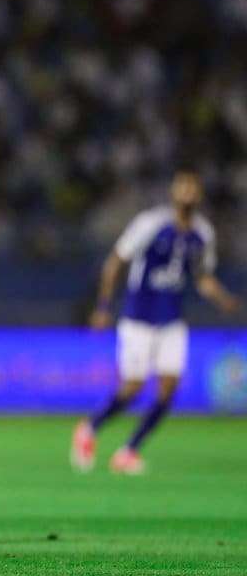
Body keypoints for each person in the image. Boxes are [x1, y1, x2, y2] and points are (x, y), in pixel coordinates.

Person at [72, 170, 240, 474]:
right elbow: (115, 262)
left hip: (171, 320)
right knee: (133, 386)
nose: (188, 192)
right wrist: (103, 306)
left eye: (193, 187)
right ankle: (89, 428)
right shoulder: (150, 224)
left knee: (169, 387)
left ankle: (128, 450)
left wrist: (222, 298)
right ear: (173, 192)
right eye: (182, 186)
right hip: (139, 317)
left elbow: (201, 277)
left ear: (199, 194)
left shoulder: (203, 233)